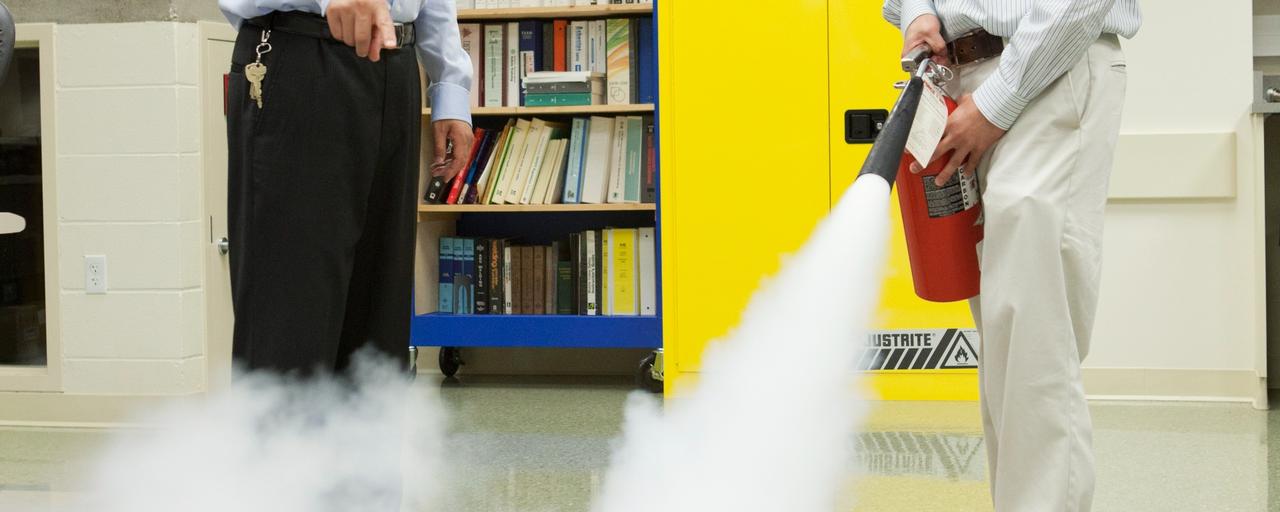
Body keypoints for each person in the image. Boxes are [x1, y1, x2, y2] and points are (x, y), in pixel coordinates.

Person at [881, 1, 1141, 510]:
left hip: (1050, 63)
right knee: (1005, 340)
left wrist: (998, 101)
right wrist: (917, 14)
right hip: (959, 78)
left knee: (1032, 336)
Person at [218, 0, 474, 375]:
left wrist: (450, 83)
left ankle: (372, 434)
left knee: (380, 321)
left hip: (396, 66)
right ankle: (283, 435)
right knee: (290, 317)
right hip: (299, 51)